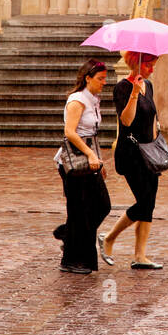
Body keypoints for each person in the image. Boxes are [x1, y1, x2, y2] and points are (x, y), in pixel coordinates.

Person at [99, 51, 164, 270]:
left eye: (154, 65)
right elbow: (126, 120)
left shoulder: (150, 85)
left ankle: (140, 256)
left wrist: (156, 144)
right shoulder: (122, 88)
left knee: (150, 204)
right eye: (148, 65)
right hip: (131, 153)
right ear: (135, 63)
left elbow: (152, 119)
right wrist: (135, 93)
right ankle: (109, 238)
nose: (151, 69)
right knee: (144, 201)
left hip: (149, 153)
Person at [53, 58, 112, 275]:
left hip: (90, 159)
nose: (104, 82)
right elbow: (70, 132)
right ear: (88, 78)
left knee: (102, 205)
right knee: (79, 211)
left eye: (105, 78)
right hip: (74, 161)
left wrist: (99, 160)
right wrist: (89, 154)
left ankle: (70, 236)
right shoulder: (77, 100)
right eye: (100, 79)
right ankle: (73, 260)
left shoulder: (94, 99)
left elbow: (93, 135)